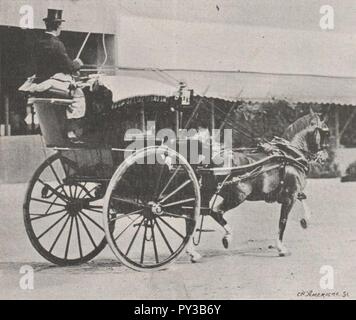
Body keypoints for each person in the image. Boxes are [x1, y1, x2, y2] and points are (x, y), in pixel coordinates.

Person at [33, 9, 83, 83]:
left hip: (39, 81)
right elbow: (69, 67)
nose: (61, 27)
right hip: (52, 82)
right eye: (61, 25)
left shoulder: (38, 43)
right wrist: (77, 63)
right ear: (58, 25)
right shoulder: (57, 44)